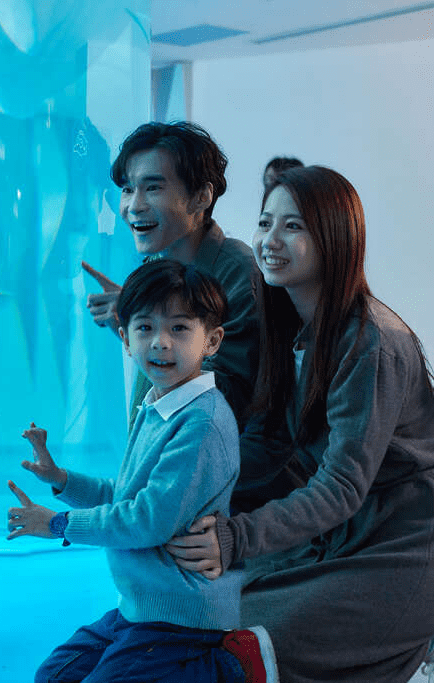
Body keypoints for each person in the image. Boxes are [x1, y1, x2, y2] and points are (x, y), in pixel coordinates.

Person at [166, 166, 434, 683]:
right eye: (265, 222)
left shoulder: (372, 342)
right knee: (188, 614)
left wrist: (235, 536)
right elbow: (270, 441)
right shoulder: (291, 323)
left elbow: (341, 487)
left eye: (294, 226)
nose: (270, 240)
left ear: (336, 237)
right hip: (338, 535)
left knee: (232, 649)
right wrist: (185, 489)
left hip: (401, 547)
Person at [7, 259, 278, 682]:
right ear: (126, 338)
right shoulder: (156, 405)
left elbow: (147, 521)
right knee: (54, 677)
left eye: (179, 328)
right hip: (138, 607)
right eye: (145, 328)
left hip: (182, 616)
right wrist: (62, 480)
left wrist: (59, 524)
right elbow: (126, 495)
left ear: (212, 340)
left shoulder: (202, 421)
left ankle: (231, 665)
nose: (160, 343)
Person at [83, 121, 260, 429]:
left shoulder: (238, 273)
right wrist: (131, 323)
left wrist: (144, 326)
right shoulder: (155, 264)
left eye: (153, 188)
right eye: (127, 189)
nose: (133, 206)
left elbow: (223, 397)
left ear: (201, 197)